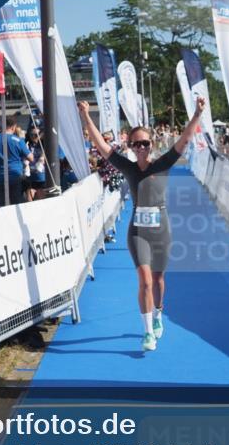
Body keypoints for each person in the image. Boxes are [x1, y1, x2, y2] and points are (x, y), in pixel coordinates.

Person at [78, 96, 205, 352]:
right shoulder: (127, 167)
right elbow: (102, 146)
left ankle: (158, 312)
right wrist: (85, 116)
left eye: (145, 143)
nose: (141, 148)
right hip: (138, 233)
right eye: (136, 144)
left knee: (158, 280)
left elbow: (185, 139)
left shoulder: (163, 163)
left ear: (152, 144)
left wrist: (198, 114)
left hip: (162, 231)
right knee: (145, 281)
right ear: (131, 147)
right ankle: (147, 333)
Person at [0, 116, 33, 207]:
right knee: (17, 205)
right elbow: (31, 158)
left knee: (2, 206)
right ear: (13, 127)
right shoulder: (18, 140)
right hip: (15, 176)